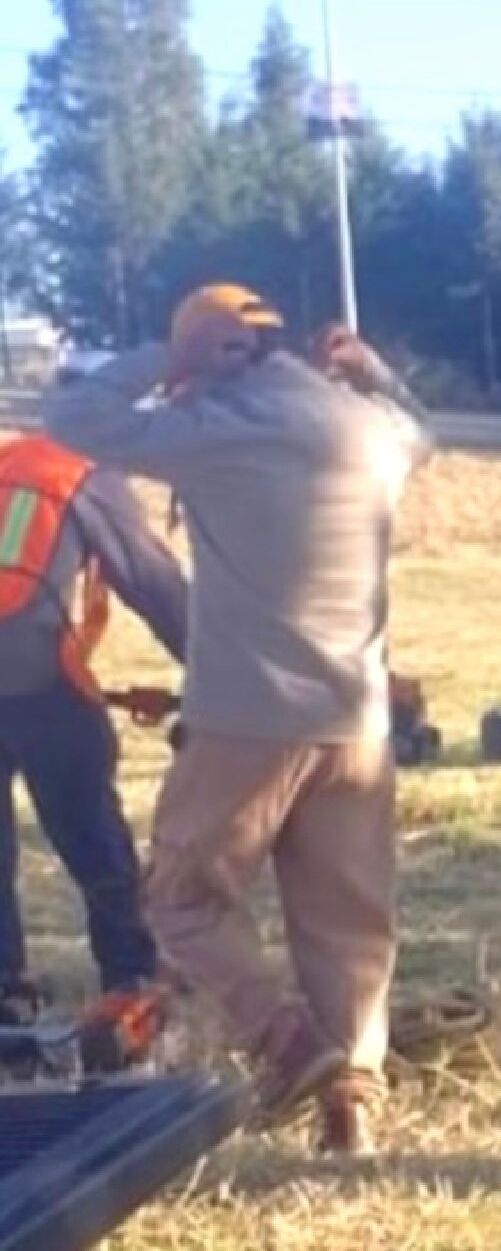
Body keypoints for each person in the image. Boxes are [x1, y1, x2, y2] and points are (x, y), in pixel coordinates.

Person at [44, 284, 432, 1155]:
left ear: (207, 356)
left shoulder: (213, 429)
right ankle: (350, 1109)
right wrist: (370, 372)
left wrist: (166, 359)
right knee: (348, 924)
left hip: (245, 721)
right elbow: (424, 430)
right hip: (359, 721)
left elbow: (69, 416)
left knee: (180, 899)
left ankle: (283, 1037)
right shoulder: (371, 429)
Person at [0, 432, 187, 1025]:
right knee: (90, 832)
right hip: (38, 685)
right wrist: (219, 673)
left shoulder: (11, 466)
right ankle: (130, 977)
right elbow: (155, 586)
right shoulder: (82, 477)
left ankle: (5, 994)